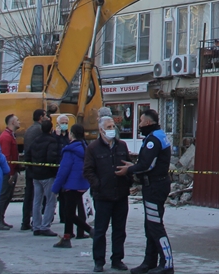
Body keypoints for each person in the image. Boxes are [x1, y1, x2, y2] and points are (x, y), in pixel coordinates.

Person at [118, 108, 173, 274]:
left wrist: (129, 170)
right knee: (150, 225)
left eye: (141, 121)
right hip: (156, 185)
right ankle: (149, 262)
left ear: (148, 122)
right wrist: (133, 166)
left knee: (155, 226)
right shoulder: (158, 135)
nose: (140, 125)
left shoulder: (153, 140)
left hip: (155, 186)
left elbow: (146, 165)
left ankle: (167, 264)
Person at [84, 115, 132, 273]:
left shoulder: (122, 146)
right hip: (103, 196)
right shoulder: (93, 148)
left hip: (120, 194)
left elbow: (128, 165)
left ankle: (117, 259)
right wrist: (97, 185)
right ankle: (99, 261)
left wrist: (128, 181)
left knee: (119, 230)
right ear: (101, 129)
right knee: (100, 230)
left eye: (113, 126)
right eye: (109, 127)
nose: (112, 130)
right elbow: (88, 171)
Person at [51, 124, 92, 248]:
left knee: (69, 213)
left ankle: (90, 230)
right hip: (82, 184)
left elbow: (63, 171)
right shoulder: (85, 148)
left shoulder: (69, 150)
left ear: (72, 134)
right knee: (74, 210)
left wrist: (55, 188)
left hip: (71, 184)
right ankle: (66, 237)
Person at [28, 117, 65, 237]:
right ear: (51, 129)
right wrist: (55, 171)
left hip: (36, 175)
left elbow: (27, 157)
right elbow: (51, 158)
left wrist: (32, 169)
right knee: (50, 200)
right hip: (47, 175)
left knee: (37, 200)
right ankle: (45, 226)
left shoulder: (35, 140)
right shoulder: (52, 141)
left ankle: (36, 226)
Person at [20, 109, 46, 231]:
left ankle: (25, 220)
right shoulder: (39, 130)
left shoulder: (30, 129)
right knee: (34, 195)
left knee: (29, 194)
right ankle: (29, 221)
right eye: (45, 116)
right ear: (41, 117)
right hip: (35, 166)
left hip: (29, 164)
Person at [0, 114, 21, 230]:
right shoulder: (6, 137)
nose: (19, 122)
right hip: (7, 172)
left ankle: (0, 218)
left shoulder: (10, 136)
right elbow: (6, 157)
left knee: (8, 195)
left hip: (11, 170)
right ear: (12, 123)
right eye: (17, 120)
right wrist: (10, 173)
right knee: (4, 195)